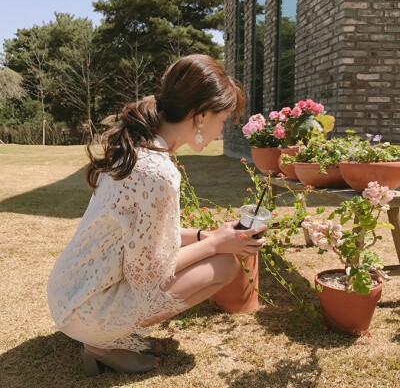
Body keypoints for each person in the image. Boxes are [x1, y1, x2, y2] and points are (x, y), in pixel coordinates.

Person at [47, 54, 267, 377]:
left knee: (221, 255)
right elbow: (145, 275)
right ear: (201, 116)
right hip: (83, 309)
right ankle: (102, 343)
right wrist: (216, 245)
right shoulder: (158, 172)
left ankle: (111, 334)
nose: (221, 130)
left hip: (68, 292)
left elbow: (152, 236)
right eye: (222, 120)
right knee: (224, 265)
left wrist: (211, 236)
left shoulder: (140, 147)